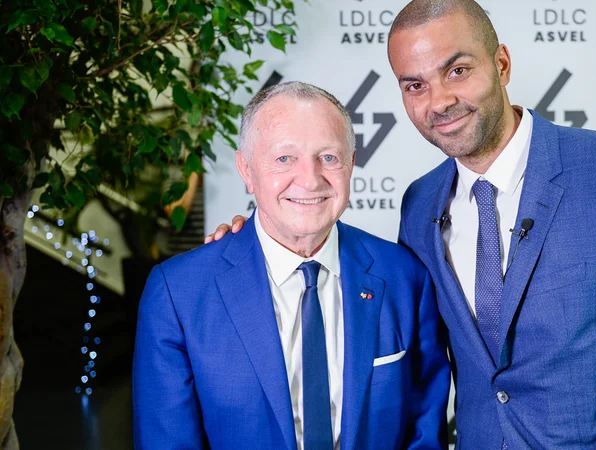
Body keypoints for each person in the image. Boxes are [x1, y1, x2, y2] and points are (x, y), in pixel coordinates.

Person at [208, 1, 596, 448]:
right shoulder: (420, 204)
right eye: (415, 84)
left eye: (456, 71)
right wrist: (253, 242)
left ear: (501, 63)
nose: (439, 102)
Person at [133, 81, 450, 450]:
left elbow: (424, 433)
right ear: (247, 170)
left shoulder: (404, 277)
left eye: (328, 157)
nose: (310, 178)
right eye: (284, 158)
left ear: (351, 163)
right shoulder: (178, 293)